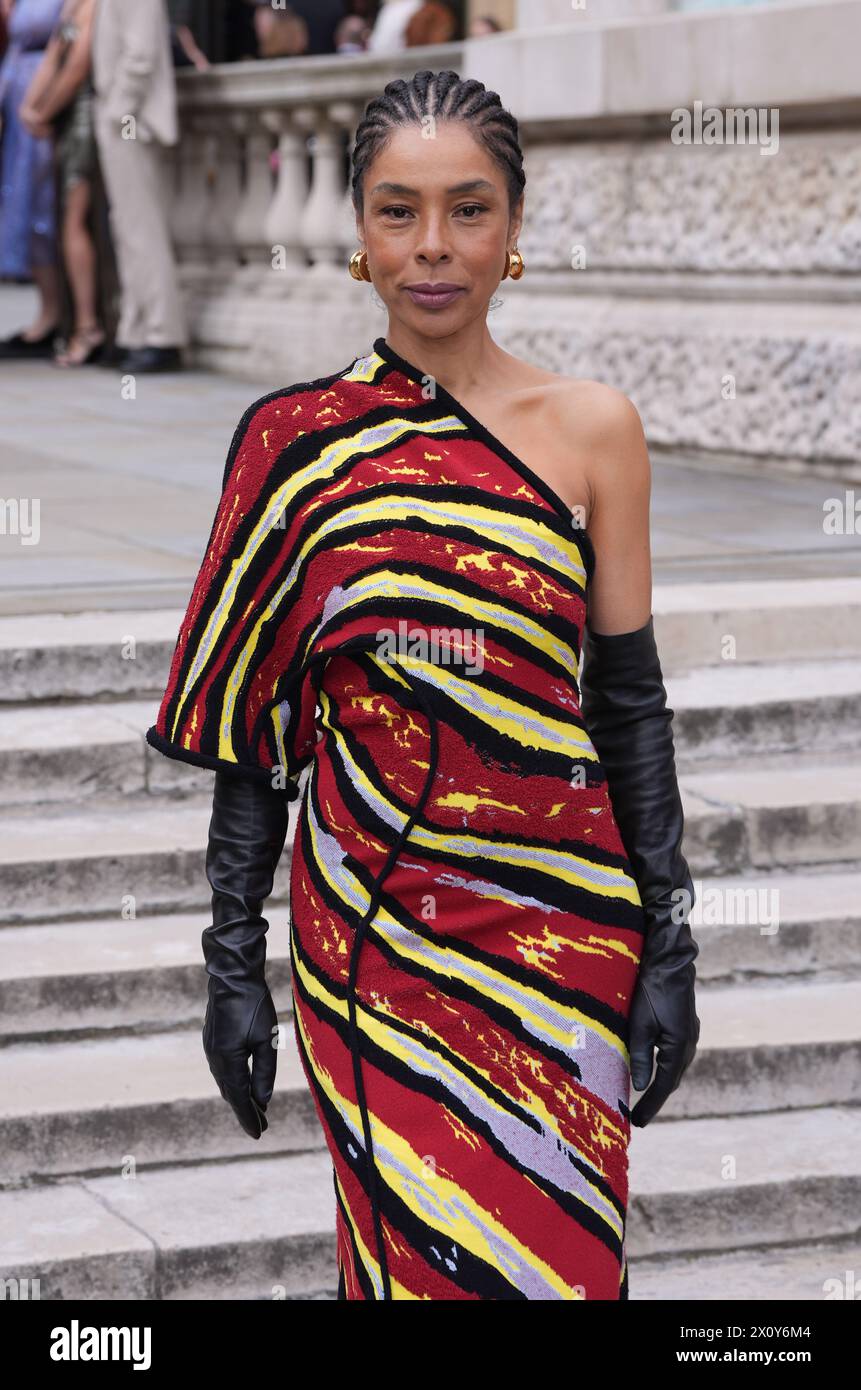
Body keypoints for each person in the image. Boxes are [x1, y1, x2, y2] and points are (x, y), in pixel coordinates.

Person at [146, 67, 700, 1301]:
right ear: (356, 228)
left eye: (469, 209)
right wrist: (234, 965)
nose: (433, 247)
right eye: (398, 211)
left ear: (515, 227)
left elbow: (629, 704)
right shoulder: (292, 446)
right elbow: (256, 735)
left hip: (566, 937)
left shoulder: (595, 428)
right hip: (378, 945)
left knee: (560, 1268)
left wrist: (672, 941)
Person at [91, 0, 187, 372]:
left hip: (133, 124)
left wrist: (116, 112)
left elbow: (141, 54)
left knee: (141, 230)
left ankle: (162, 335)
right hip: (123, 122)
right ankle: (136, 332)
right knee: (127, 229)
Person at [17, 0, 113, 366]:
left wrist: (43, 110)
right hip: (64, 119)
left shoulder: (95, 5)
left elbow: (77, 67)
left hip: (85, 119)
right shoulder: (72, 5)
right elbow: (55, 55)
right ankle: (80, 323)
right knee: (65, 223)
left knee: (76, 223)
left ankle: (88, 326)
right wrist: (29, 108)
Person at [0, 0, 64, 358]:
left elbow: (66, 44)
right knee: (21, 205)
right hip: (18, 100)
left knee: (46, 209)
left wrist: (42, 105)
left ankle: (57, 315)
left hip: (45, 103)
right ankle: (45, 312)